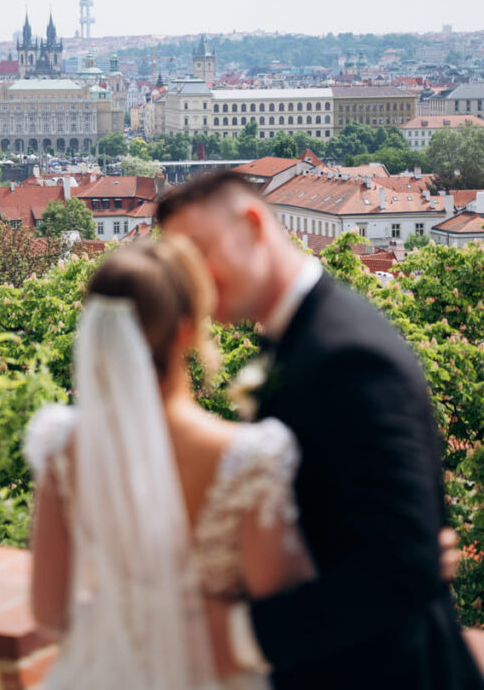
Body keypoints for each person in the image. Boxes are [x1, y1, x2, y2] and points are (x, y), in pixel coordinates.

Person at [157, 169, 484, 690]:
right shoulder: (294, 341)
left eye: (200, 251)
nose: (193, 280)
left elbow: (401, 568)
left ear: (251, 225)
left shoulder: (348, 354)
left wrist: (239, 635)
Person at [25, 237, 315, 689]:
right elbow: (284, 619)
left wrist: (127, 621)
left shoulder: (62, 445)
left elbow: (49, 611)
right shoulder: (248, 458)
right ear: (185, 330)